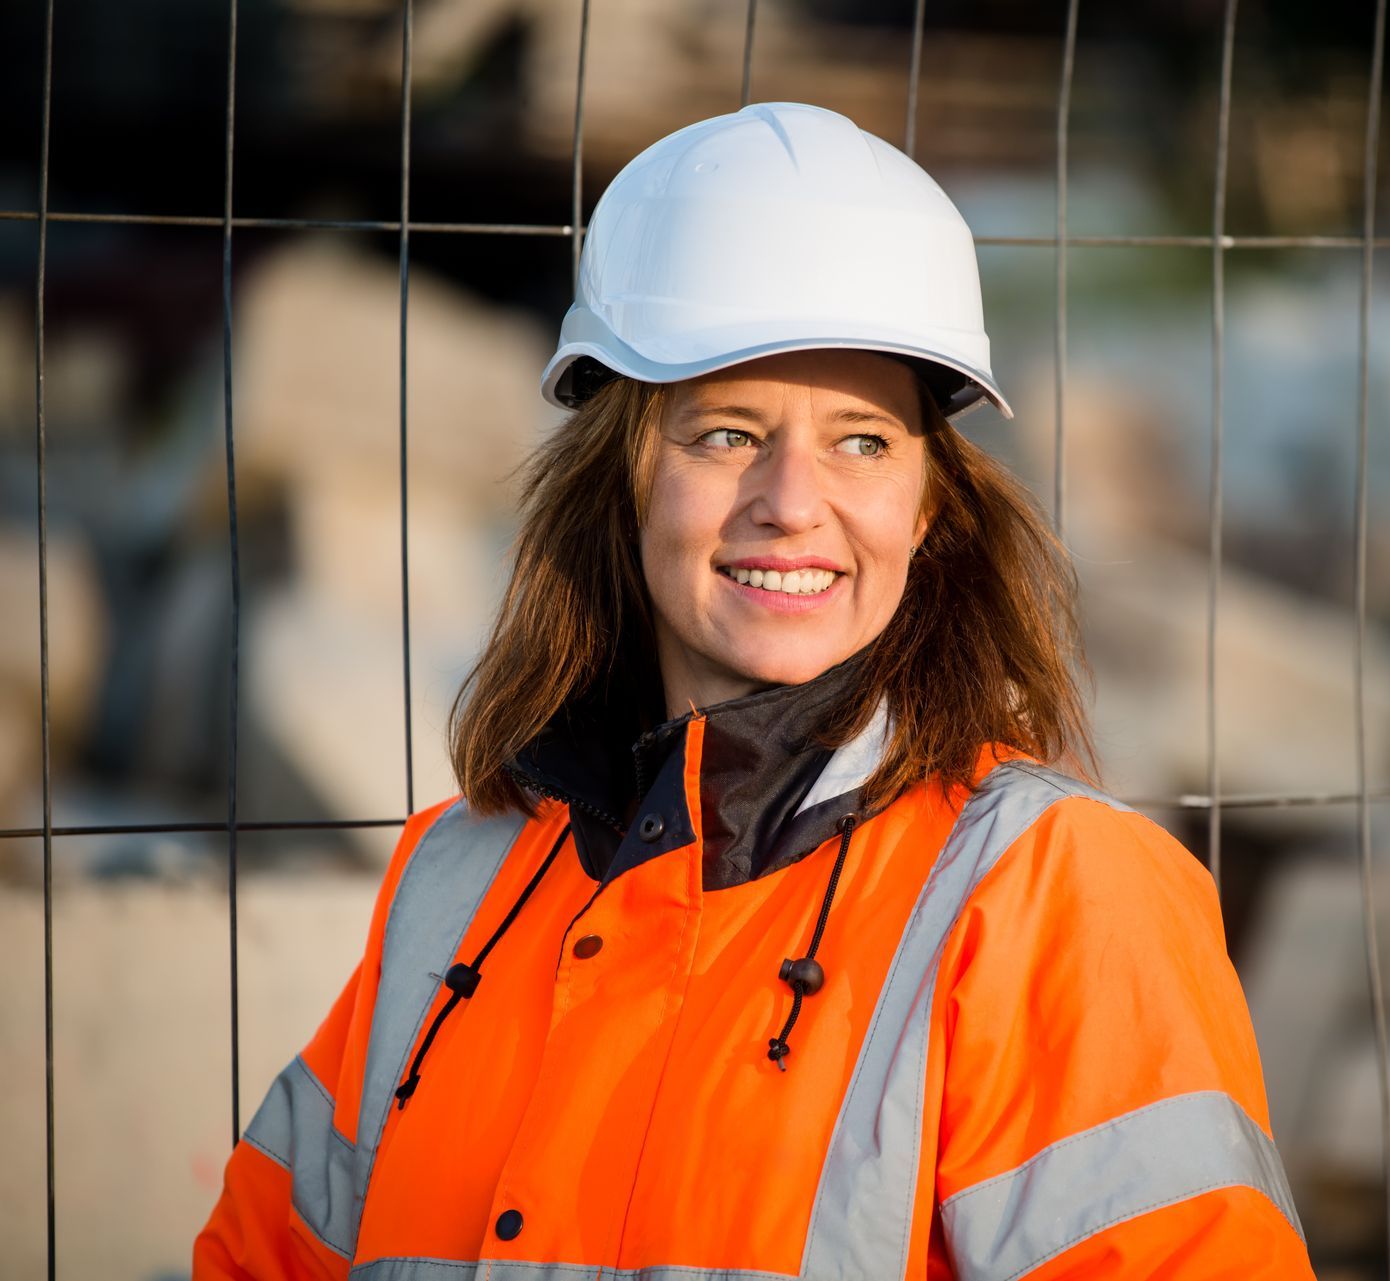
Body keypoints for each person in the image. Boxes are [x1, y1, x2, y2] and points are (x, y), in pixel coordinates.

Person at [194, 101, 1314, 1281]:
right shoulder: (454, 881)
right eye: (726, 433)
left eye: (863, 441)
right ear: (623, 477)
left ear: (930, 509)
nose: (791, 499)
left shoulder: (1050, 894)